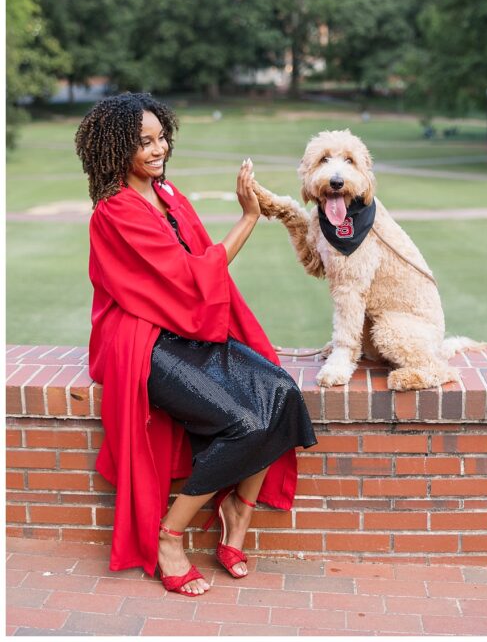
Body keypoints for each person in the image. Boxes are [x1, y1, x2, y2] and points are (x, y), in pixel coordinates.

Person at [75, 93, 317, 596]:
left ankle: (237, 514)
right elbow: (193, 277)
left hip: (186, 329)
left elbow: (200, 275)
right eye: (143, 142)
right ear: (117, 148)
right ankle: (169, 535)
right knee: (245, 424)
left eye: (161, 136)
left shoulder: (168, 195)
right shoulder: (116, 212)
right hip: (145, 341)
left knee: (284, 396)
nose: (158, 148)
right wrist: (248, 218)